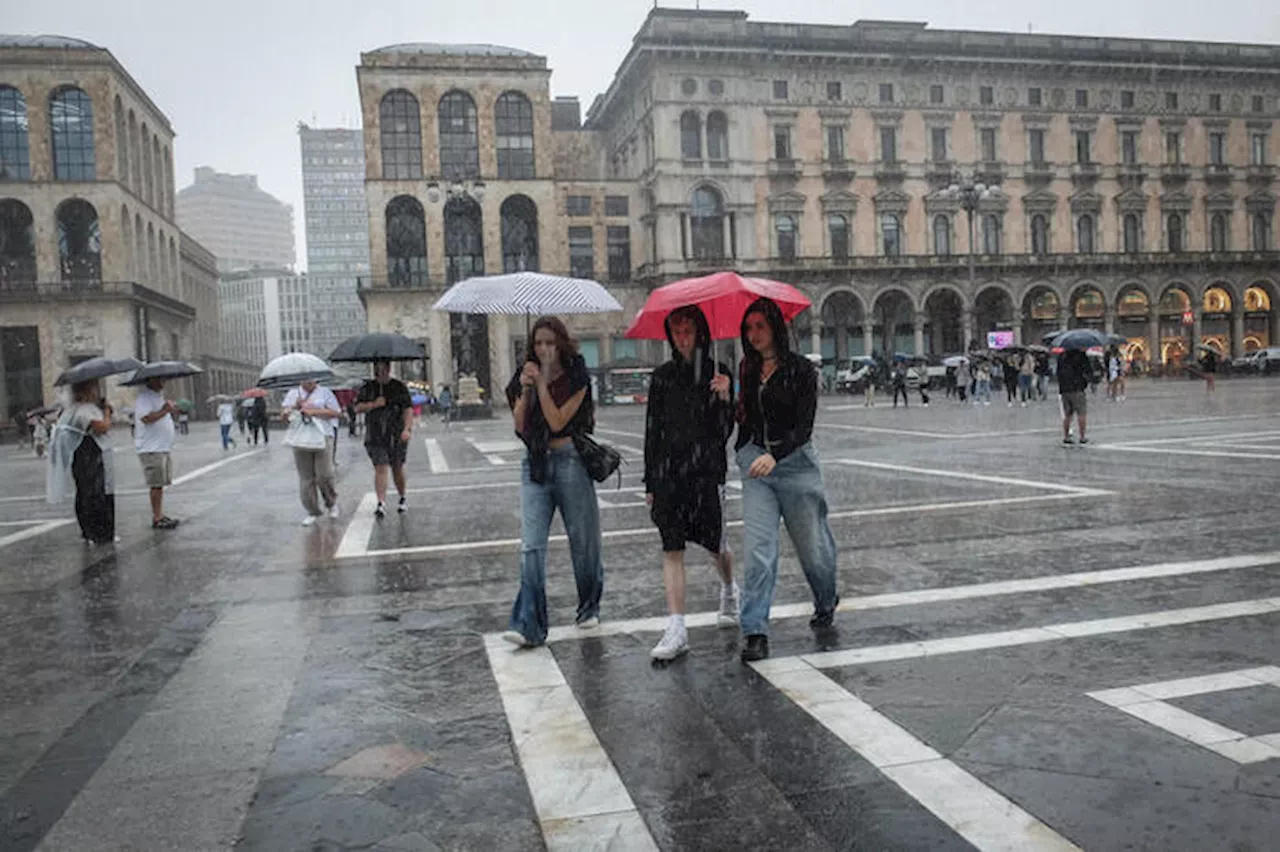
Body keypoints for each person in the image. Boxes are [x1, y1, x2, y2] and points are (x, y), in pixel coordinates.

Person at [735, 297, 839, 663]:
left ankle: (826, 598)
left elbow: (803, 428)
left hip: (795, 466)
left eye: (760, 326)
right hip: (756, 468)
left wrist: (775, 455)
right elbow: (745, 420)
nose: (754, 334)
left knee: (813, 549)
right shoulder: (746, 369)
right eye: (748, 328)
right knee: (758, 549)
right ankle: (754, 630)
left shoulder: (802, 371)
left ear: (775, 327)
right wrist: (726, 403)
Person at [500, 316, 604, 648]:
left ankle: (588, 606)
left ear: (560, 343)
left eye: (549, 342)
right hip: (536, 462)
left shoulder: (577, 373)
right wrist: (527, 389)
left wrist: (543, 383)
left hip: (570, 458)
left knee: (583, 540)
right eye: (538, 343)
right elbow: (519, 425)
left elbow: (560, 419)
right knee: (531, 546)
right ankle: (529, 622)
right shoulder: (524, 374)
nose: (544, 349)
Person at [643, 305, 739, 661]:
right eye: (677, 331)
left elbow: (723, 431)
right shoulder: (662, 377)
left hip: (705, 474)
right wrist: (651, 480)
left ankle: (729, 588)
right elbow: (652, 431)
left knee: (716, 545)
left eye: (688, 331)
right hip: (669, 476)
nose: (682, 338)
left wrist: (724, 398)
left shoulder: (718, 372)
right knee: (672, 549)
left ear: (700, 333)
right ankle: (677, 626)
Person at [47, 380, 115, 546]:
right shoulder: (84, 410)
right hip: (90, 454)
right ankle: (99, 533)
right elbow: (102, 427)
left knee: (84, 492)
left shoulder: (71, 410)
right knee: (95, 493)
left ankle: (88, 531)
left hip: (80, 454)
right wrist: (107, 412)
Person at [355, 360, 414, 518]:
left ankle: (402, 496)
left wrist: (407, 429)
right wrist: (374, 404)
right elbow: (357, 407)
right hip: (375, 433)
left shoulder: (399, 387)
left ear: (388, 368)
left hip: (395, 433)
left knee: (397, 467)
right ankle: (381, 502)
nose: (379, 371)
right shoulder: (368, 388)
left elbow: (408, 409)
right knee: (380, 466)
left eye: (382, 368)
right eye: (377, 368)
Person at [282, 378, 342, 526]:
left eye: (311, 380)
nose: (308, 383)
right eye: (305, 380)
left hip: (323, 436)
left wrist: (314, 412)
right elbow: (284, 416)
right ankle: (312, 510)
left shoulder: (325, 392)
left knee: (324, 474)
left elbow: (336, 412)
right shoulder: (293, 393)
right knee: (306, 477)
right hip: (301, 438)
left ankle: (331, 502)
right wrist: (294, 408)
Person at [134, 376, 179, 529]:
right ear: (150, 381)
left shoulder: (157, 397)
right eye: (159, 380)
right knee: (155, 484)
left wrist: (169, 410)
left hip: (161, 447)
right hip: (151, 448)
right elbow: (146, 418)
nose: (163, 382)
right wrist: (164, 410)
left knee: (160, 484)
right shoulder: (144, 398)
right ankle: (157, 517)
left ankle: (159, 514)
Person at [1057, 347, 1091, 445]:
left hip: (1064, 389)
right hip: (1077, 388)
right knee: (1081, 413)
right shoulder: (1080, 355)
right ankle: (1082, 437)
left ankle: (1066, 436)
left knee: (1067, 414)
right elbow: (1087, 370)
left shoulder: (1061, 356)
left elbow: (1058, 373)